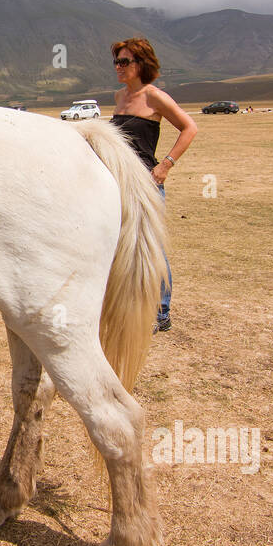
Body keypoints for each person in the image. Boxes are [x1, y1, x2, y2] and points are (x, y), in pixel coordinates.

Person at [108, 37, 197, 332]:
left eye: (124, 61)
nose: (118, 67)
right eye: (116, 61)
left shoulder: (153, 96)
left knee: (151, 248)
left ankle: (162, 312)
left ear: (140, 64)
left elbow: (189, 127)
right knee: (122, 246)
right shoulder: (119, 96)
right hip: (118, 183)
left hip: (147, 183)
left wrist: (166, 165)